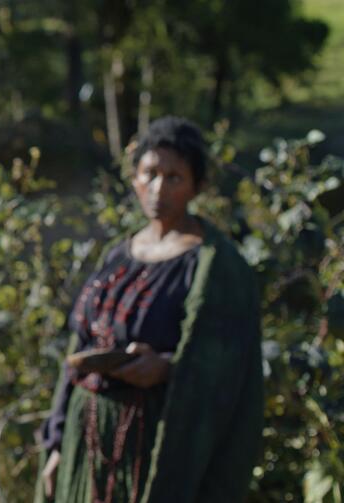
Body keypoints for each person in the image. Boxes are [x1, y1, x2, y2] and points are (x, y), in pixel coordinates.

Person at [36, 117, 263, 503]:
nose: (159, 188)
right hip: (85, 443)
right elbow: (78, 351)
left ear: (197, 185)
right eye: (150, 173)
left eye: (174, 177)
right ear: (135, 178)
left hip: (151, 449)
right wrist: (56, 442)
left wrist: (167, 368)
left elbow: (230, 372)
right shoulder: (118, 256)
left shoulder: (215, 267)